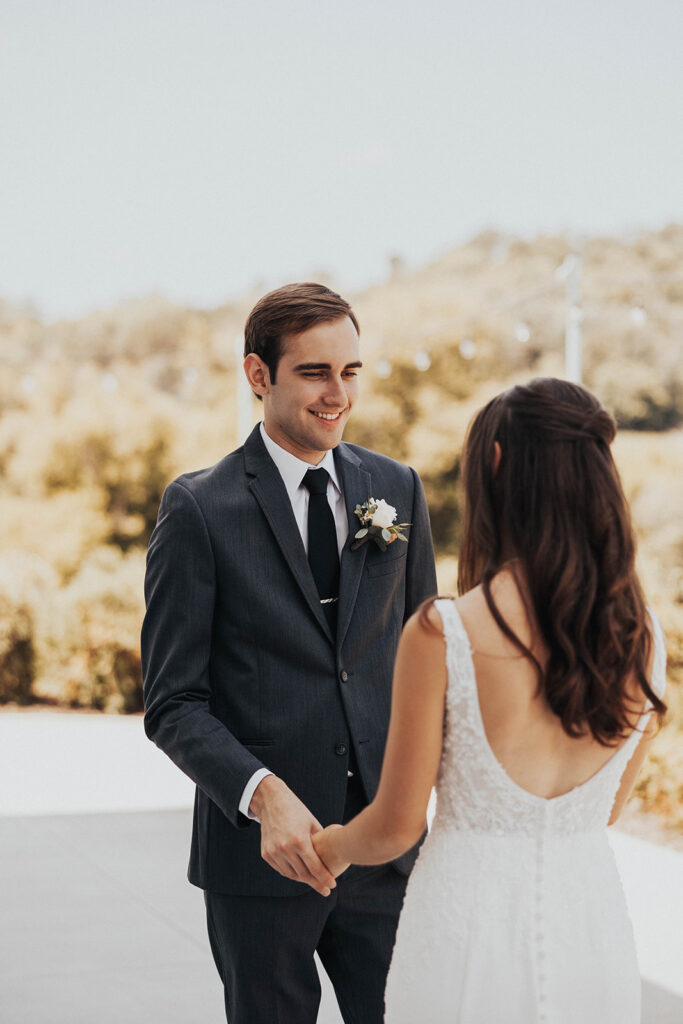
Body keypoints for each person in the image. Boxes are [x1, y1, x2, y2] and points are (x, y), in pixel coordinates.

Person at [313, 377, 667, 1024]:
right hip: (590, 934)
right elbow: (608, 808)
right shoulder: (643, 640)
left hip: (463, 934)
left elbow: (396, 826)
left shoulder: (443, 633)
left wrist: (328, 848)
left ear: (496, 464)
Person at [141, 282, 437, 1024]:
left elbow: (426, 658)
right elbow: (173, 701)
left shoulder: (395, 487)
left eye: (350, 372)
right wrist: (262, 794)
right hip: (258, 863)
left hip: (384, 846)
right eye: (313, 372)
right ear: (257, 374)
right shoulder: (199, 508)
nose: (337, 394)